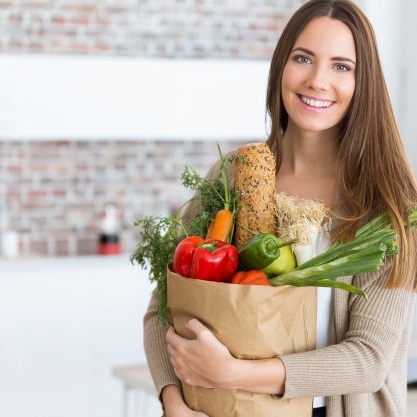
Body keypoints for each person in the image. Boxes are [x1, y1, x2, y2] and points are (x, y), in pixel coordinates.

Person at [143, 0, 417, 416]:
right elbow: (162, 309)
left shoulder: (388, 204)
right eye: (303, 58)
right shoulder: (231, 178)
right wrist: (173, 402)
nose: (317, 80)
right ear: (280, 66)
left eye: (342, 66)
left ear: (365, 83)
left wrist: (231, 373)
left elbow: (368, 360)